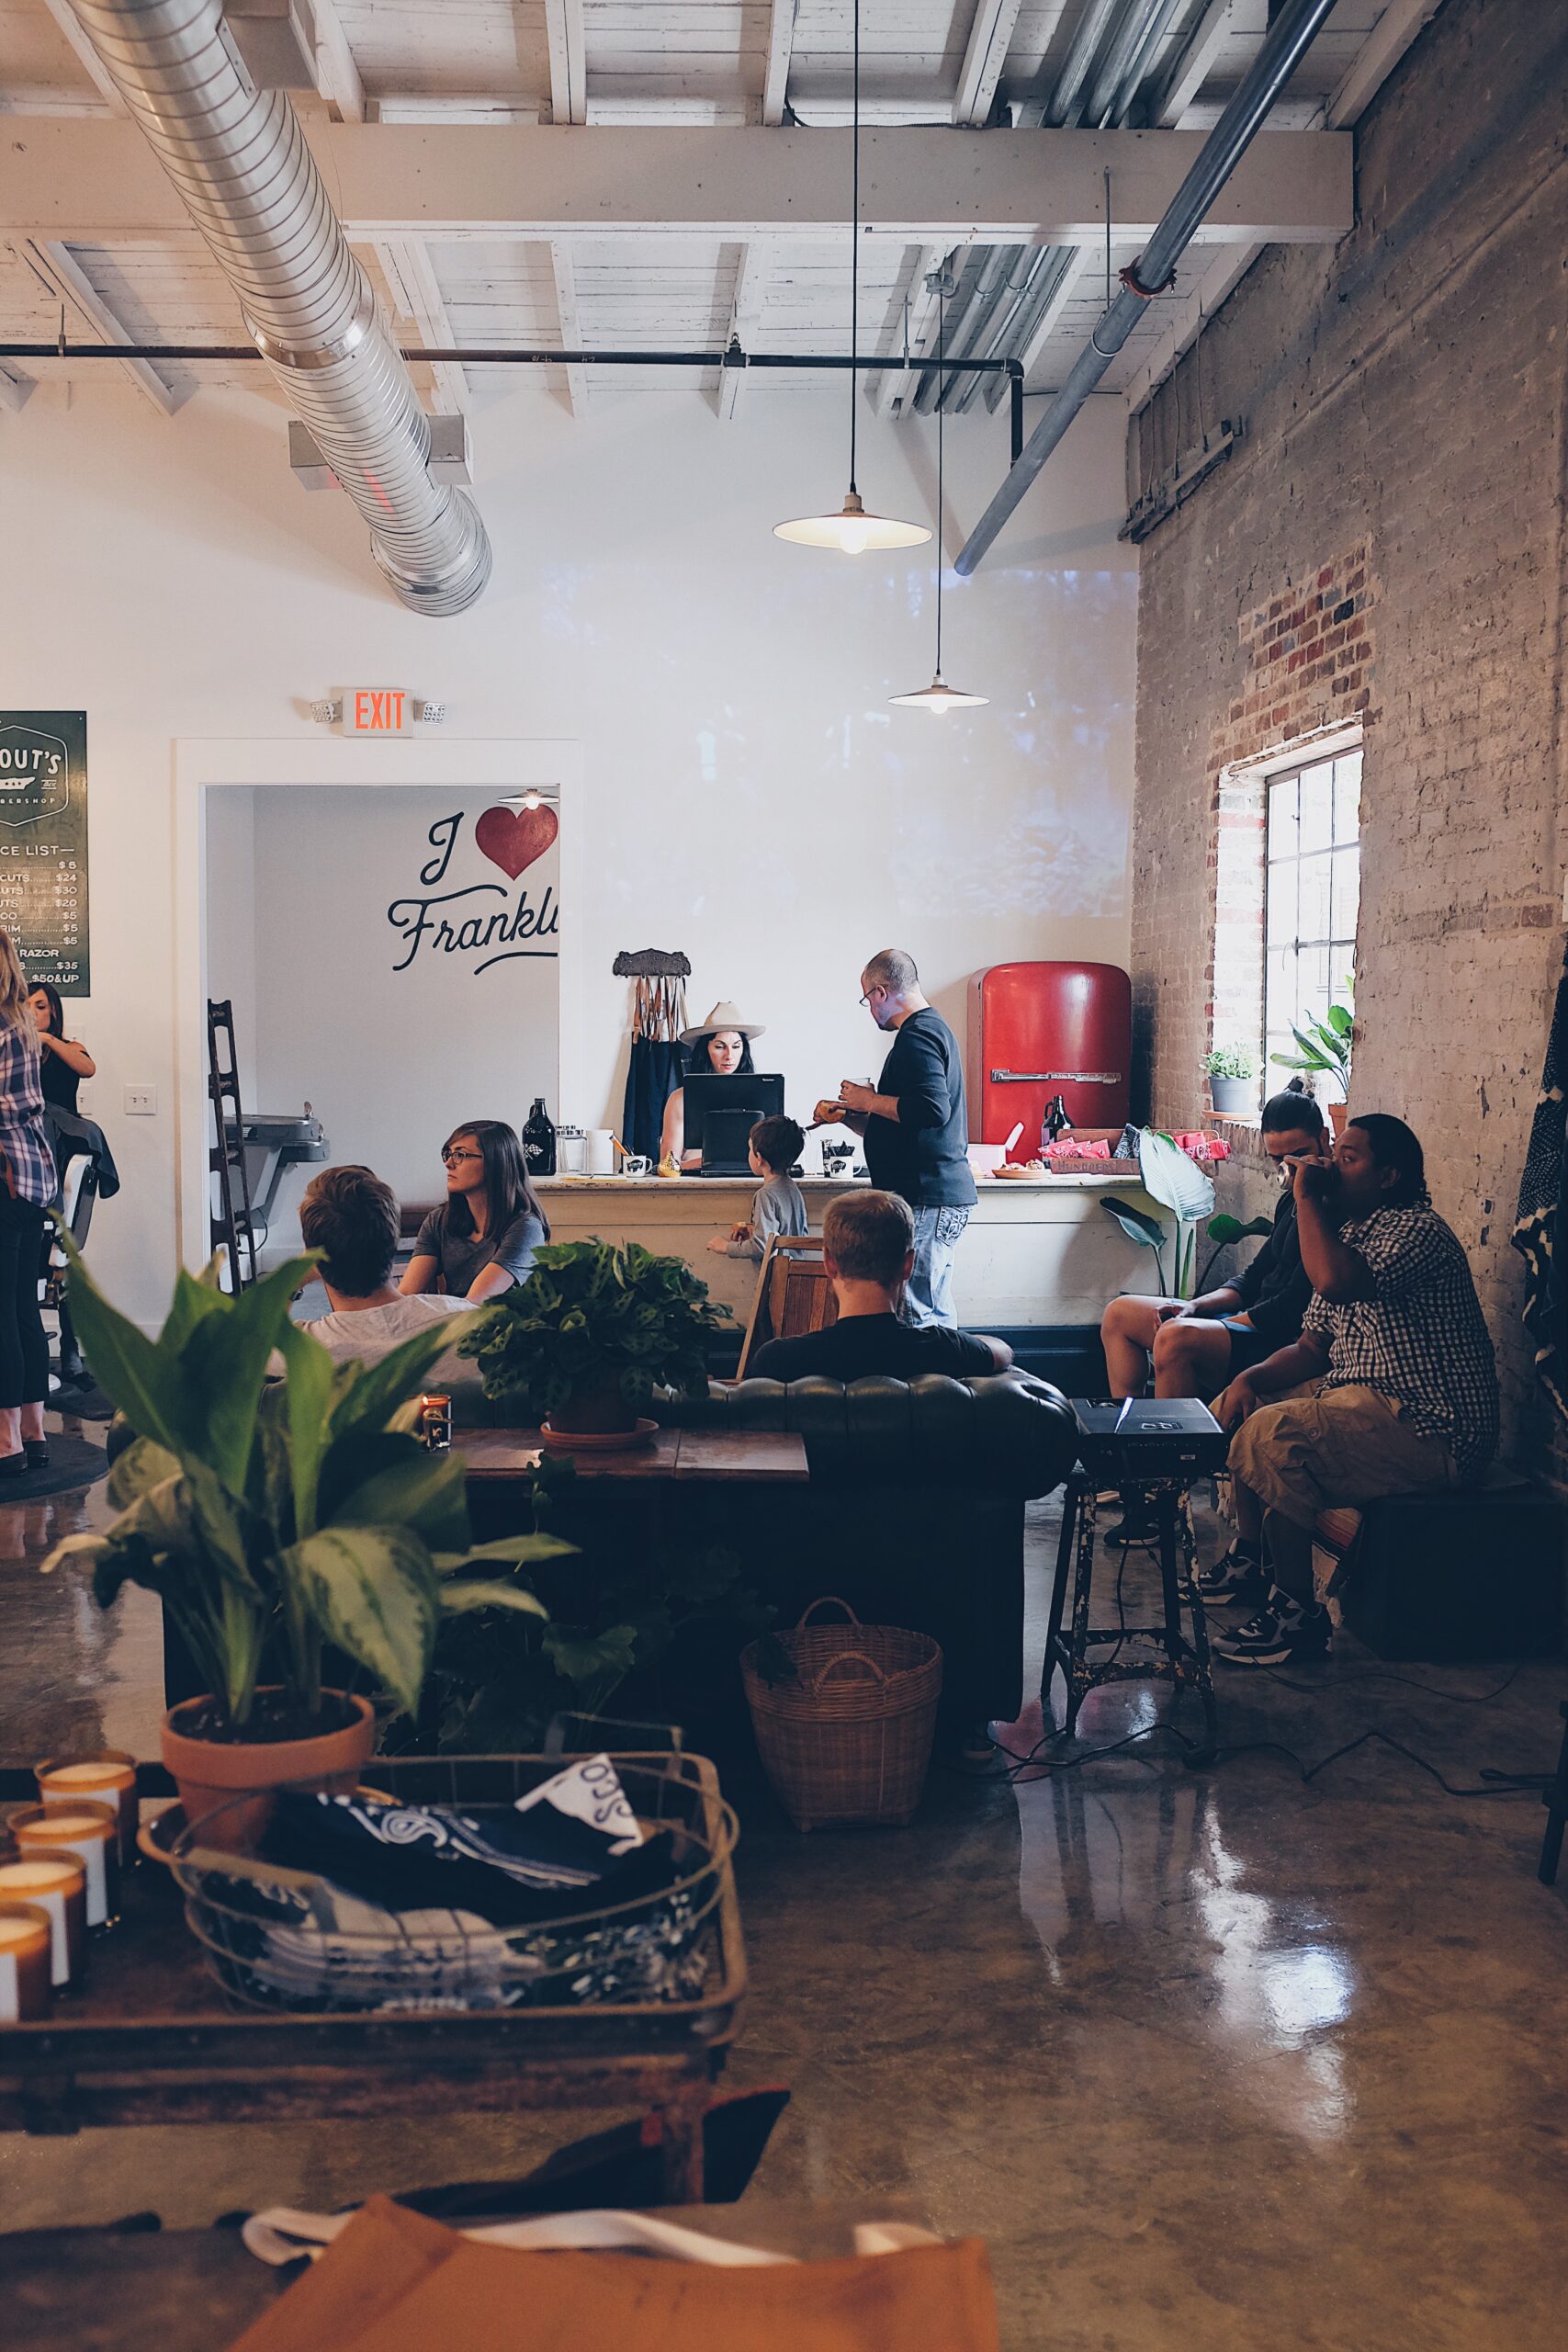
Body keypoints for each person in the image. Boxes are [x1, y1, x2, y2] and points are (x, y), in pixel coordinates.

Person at [1204, 1114, 1499, 1666]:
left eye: (1348, 1157)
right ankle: (1253, 1559)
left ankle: (1298, 1616)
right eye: (1334, 1152)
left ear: (1388, 1176)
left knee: (1275, 1435)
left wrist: (1307, 1196)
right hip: (1364, 1404)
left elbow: (1335, 1282)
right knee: (1246, 1405)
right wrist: (1248, 1378)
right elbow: (1313, 1348)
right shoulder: (1353, 1234)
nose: (1331, 1166)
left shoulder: (1416, 1230)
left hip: (1431, 1427)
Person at [1100, 1090, 1330, 1401]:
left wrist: (1207, 1322)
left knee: (1173, 1338)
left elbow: (1289, 1309)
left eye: (1299, 1155)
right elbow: (1251, 1278)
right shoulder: (1291, 1199)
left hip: (1278, 1339)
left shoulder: (1331, 1208)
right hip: (1248, 1320)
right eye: (1279, 1159)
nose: (1290, 1169)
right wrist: (1193, 1306)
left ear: (1324, 1137)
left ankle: (1174, 1444)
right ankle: (1128, 1429)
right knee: (1119, 1314)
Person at [817, 949, 976, 1329]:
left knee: (919, 1314)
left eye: (866, 999)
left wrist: (866, 1099)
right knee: (927, 1308)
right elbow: (910, 1125)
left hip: (927, 1196)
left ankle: (936, 1389)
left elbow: (933, 1110)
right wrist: (853, 1118)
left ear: (881, 992)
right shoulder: (928, 1030)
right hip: (930, 1195)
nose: (869, 1009)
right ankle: (944, 1386)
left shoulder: (917, 1036)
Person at [750, 1189, 1011, 1382]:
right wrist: (965, 1343)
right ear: (908, 1264)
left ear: (829, 1262)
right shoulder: (945, 1349)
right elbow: (1002, 1352)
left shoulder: (777, 1360)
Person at [288, 1165, 478, 1371]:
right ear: (393, 1241)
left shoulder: (298, 1351)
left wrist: (294, 1278)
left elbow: (253, 1338)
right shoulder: (471, 1325)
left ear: (313, 1255)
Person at [0, 934, 59, 1476]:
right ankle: (34, 1432)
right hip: (31, 1180)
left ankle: (5, 1442)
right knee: (21, 1306)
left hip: (5, 1178)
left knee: (3, 1310)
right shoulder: (20, 1021)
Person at [400, 1119, 548, 1302]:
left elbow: (475, 1304)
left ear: (495, 1162)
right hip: (452, 1322)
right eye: (448, 1154)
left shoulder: (526, 1228)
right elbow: (407, 1293)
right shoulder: (438, 1220)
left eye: (460, 1154)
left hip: (500, 1327)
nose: (448, 1163)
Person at [660, 1001, 761, 1171]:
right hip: (694, 1185)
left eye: (736, 1046)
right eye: (720, 1047)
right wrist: (698, 1163)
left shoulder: (760, 1095)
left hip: (748, 1184)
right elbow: (667, 1166)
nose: (729, 1055)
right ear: (705, 1050)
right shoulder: (680, 1099)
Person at [706, 1114, 807, 1261]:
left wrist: (726, 1247)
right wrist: (754, 1232)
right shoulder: (792, 1188)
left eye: (749, 1149)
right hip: (794, 1274)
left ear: (759, 1158)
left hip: (778, 1276)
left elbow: (762, 1246)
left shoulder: (766, 1194)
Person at [28, 984, 95, 1114]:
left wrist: (48, 1039)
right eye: (24, 1007)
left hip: (62, 1128)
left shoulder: (71, 1048)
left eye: (40, 1007)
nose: (31, 1013)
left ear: (53, 1011)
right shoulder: (12, 1051)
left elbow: (88, 1069)